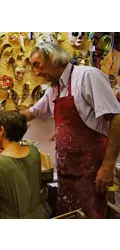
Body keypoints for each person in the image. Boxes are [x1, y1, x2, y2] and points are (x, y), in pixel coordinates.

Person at [15, 41, 120, 219]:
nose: (36, 72)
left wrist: (108, 166)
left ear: (53, 58)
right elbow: (33, 112)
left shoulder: (88, 76)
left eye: (37, 65)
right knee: (69, 216)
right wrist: (3, 120)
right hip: (67, 171)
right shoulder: (54, 89)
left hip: (92, 169)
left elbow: (117, 117)